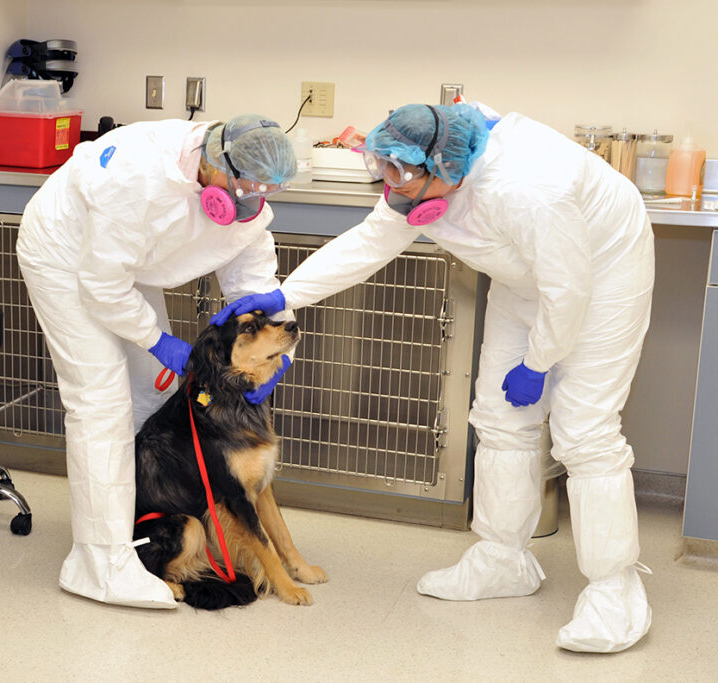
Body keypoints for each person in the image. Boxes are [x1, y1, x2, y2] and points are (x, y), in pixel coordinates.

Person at [212, 102, 654, 652]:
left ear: (448, 169)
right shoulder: (424, 170)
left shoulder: (529, 189)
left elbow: (569, 290)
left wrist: (540, 362)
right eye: (383, 167)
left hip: (602, 270)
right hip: (522, 272)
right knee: (497, 416)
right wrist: (287, 296)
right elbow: (369, 243)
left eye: (402, 174)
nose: (390, 185)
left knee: (585, 431)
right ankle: (501, 560)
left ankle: (615, 591)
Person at [15, 114, 297, 608]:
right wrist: (157, 340)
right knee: (101, 401)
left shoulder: (243, 191)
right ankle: (100, 564)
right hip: (65, 254)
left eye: (267, 188)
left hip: (126, 262)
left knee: (156, 393)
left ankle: (145, 532)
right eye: (248, 184)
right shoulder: (139, 181)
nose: (255, 195)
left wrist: (277, 346)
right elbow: (101, 286)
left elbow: (255, 277)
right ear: (214, 164)